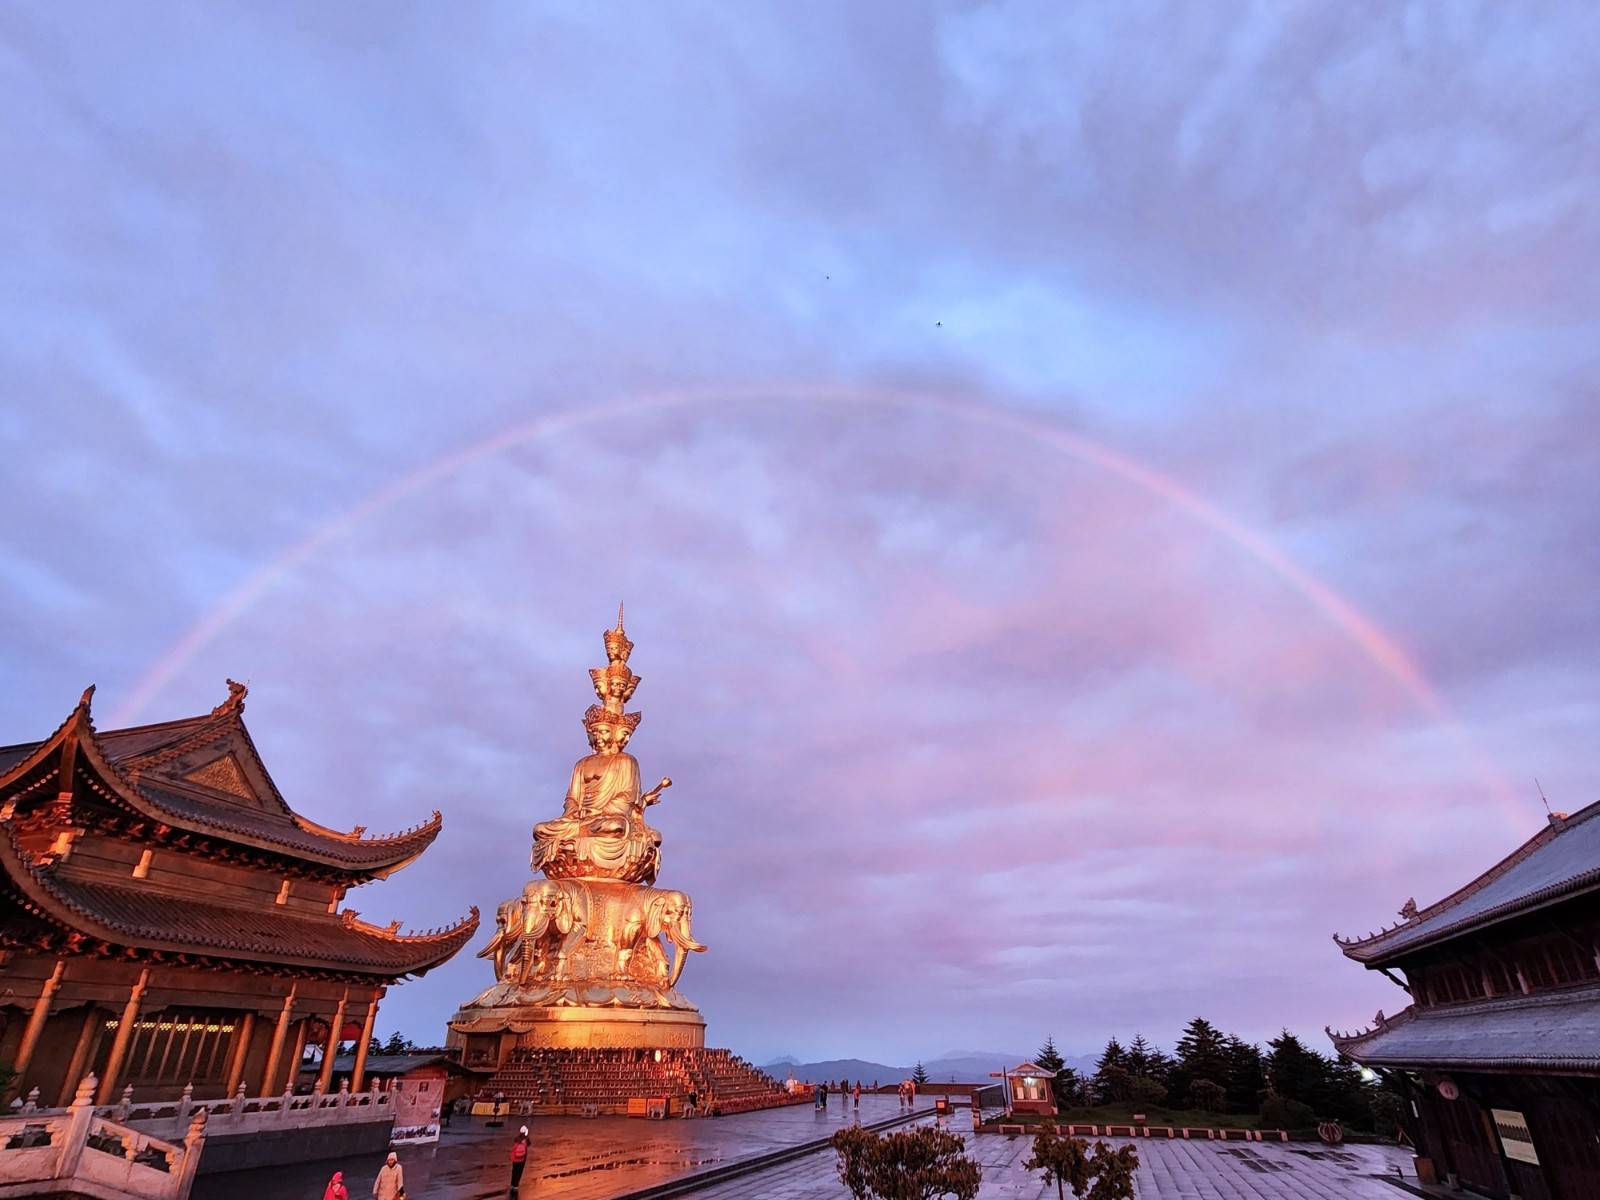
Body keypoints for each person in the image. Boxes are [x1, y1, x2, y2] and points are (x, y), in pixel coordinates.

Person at [509, 1126, 530, 1194]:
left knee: (514, 1170)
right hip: (522, 1158)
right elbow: (529, 1144)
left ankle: (512, 1183)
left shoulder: (516, 1138)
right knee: (519, 1171)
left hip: (515, 1158)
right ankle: (516, 1185)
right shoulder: (526, 1139)